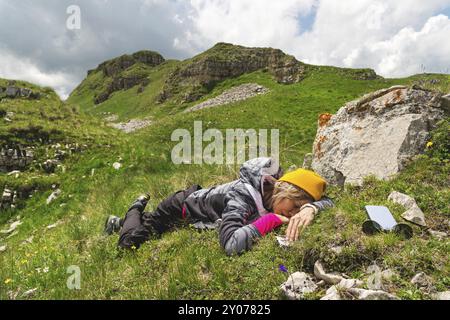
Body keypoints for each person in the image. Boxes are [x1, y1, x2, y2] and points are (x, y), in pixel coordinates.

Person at [104, 157, 333, 255]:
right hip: (179, 207)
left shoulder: (276, 186)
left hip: (200, 199)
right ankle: (134, 209)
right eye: (294, 206)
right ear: (284, 191)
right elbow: (230, 244)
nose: (292, 214)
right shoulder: (242, 197)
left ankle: (122, 222)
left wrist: (311, 209)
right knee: (128, 244)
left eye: (298, 209)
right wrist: (270, 220)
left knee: (145, 226)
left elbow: (332, 201)